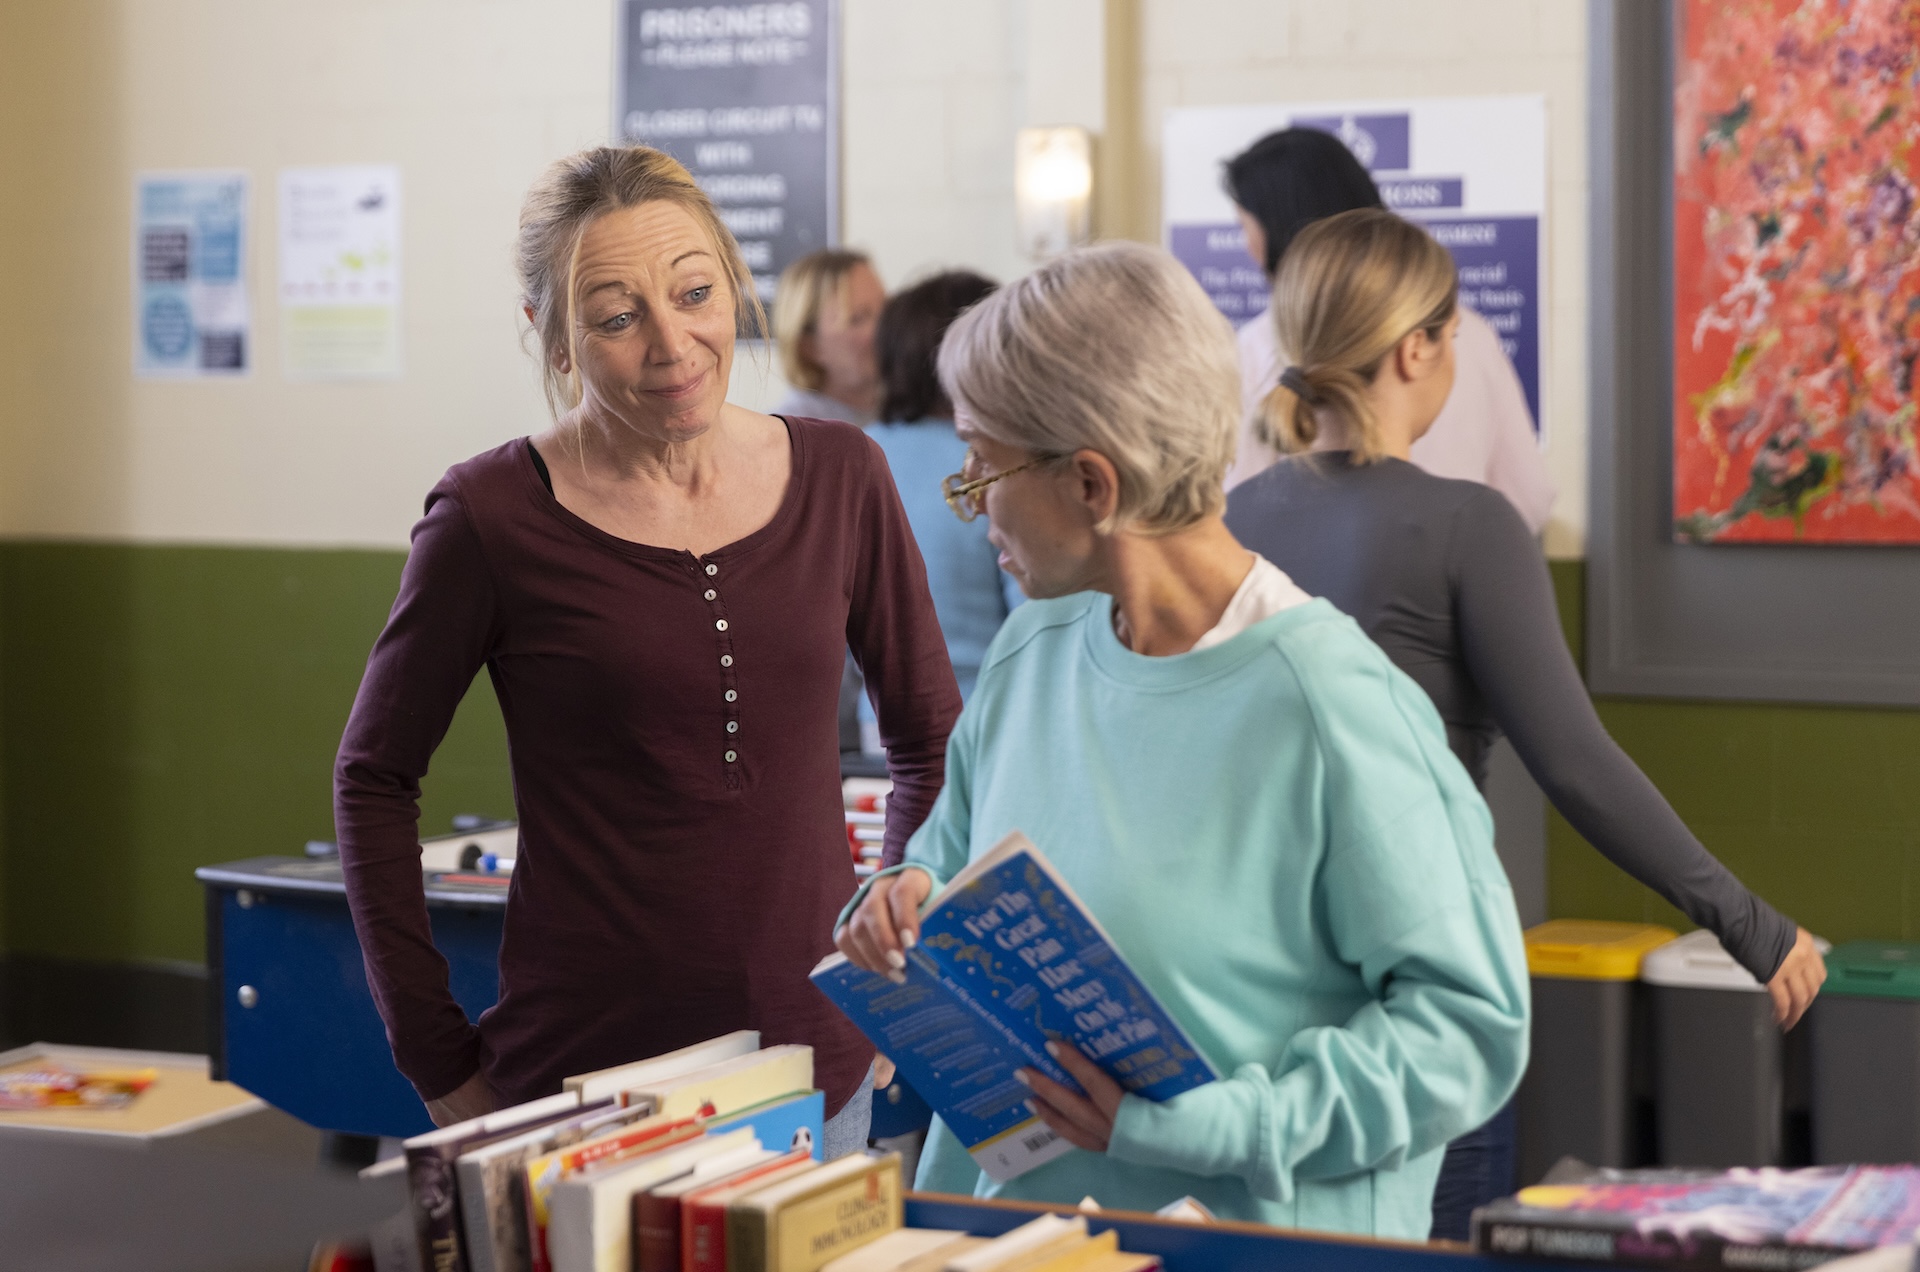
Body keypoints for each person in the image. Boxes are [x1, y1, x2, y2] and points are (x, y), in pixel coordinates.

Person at [833, 241, 1529, 1239]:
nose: (974, 499)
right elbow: (944, 861)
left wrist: (1210, 1126)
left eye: (983, 465)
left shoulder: (1332, 707)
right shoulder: (1035, 650)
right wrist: (895, 900)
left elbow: (1467, 1034)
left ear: (1092, 485)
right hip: (1017, 1242)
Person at [333, 146, 962, 1160]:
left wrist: (897, 979)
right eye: (619, 316)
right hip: (584, 1082)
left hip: (817, 1067)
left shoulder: (842, 475)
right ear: (554, 335)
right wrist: (435, 1056)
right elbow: (373, 777)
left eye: (697, 293)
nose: (675, 344)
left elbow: (933, 741)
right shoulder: (489, 516)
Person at [1224, 208, 1828, 1236]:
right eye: (1454, 334)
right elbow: (1577, 766)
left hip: (1263, 987)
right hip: (1423, 985)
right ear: (1417, 349)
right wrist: (1750, 924)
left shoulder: (1234, 515)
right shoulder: (1467, 524)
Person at [1222, 127, 1555, 533]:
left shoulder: (1263, 346)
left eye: (1244, 225)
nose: (1246, 246)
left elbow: (1236, 516)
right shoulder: (1469, 332)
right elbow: (1529, 497)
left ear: (1276, 227)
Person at [864, 271, 1021, 709]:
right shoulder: (1003, 461)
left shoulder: (851, 454)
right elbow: (1036, 620)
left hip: (878, 721)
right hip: (985, 715)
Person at [771, 249, 887, 426]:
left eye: (887, 308)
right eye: (858, 318)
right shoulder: (790, 435)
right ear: (810, 347)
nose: (884, 327)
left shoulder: (908, 412)